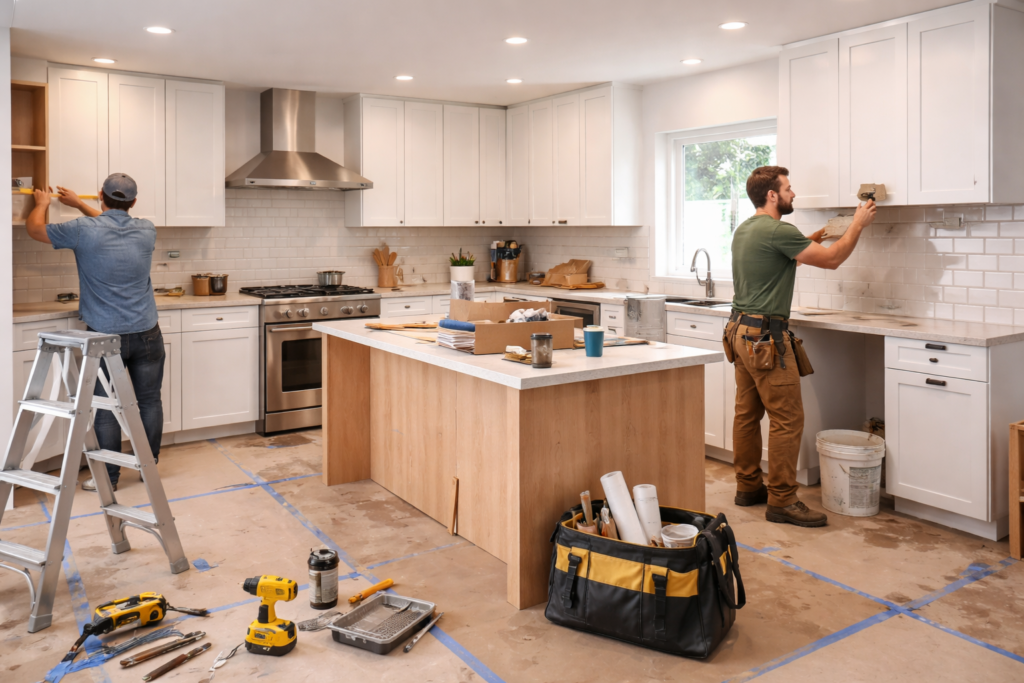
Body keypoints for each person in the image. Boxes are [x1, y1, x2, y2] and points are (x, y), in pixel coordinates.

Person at [725, 166, 875, 527]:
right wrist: (858, 223)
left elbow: (786, 252)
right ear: (773, 195)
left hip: (739, 332)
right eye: (789, 189)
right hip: (765, 340)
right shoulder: (779, 230)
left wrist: (820, 234)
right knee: (788, 419)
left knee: (747, 415)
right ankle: (782, 500)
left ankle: (748, 487)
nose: (794, 195)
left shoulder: (746, 229)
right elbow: (833, 260)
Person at [26, 174, 164, 493]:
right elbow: (111, 223)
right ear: (134, 202)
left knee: (105, 405)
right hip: (147, 333)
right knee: (149, 401)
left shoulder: (81, 231)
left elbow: (35, 230)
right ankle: (148, 467)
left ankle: (110, 478)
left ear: (100, 195)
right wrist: (80, 204)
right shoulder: (147, 229)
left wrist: (43, 204)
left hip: (105, 336)